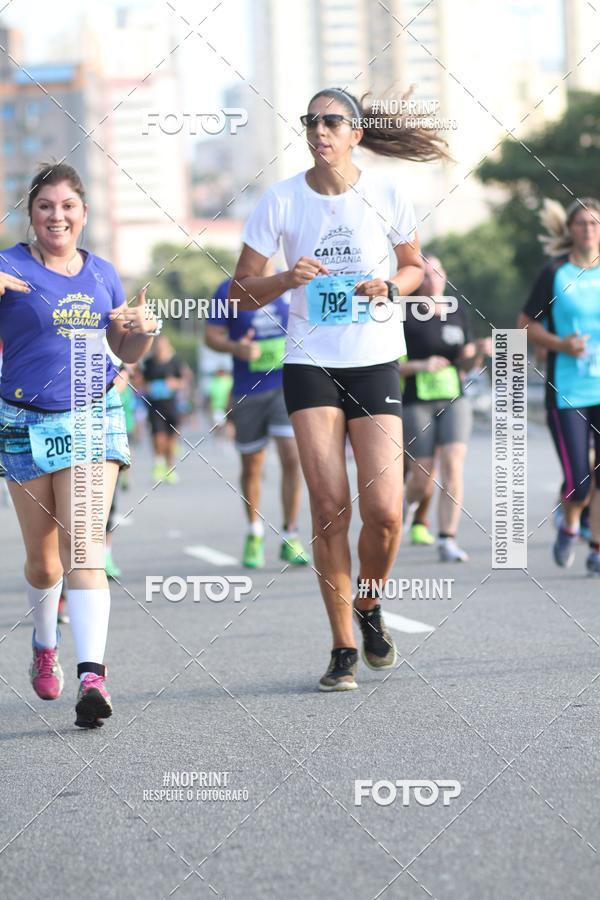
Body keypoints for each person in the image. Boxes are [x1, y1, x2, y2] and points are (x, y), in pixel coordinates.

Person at [230, 87, 448, 690]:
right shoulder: (279, 202)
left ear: (355, 133)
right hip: (309, 363)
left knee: (383, 514)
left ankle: (369, 603)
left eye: (332, 121)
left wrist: (392, 287)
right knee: (329, 508)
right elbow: (238, 290)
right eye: (311, 121)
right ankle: (343, 646)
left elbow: (414, 265)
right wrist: (283, 277)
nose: (319, 130)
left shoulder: (386, 194)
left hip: (375, 359)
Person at [0, 162, 160, 727]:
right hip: (22, 419)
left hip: (92, 416)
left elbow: (127, 349)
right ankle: (46, 643)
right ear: (31, 213)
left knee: (84, 548)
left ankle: (92, 675)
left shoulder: (103, 274)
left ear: (84, 214)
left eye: (67, 206)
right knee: (44, 565)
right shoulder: (7, 265)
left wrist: (142, 327)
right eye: (45, 206)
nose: (57, 216)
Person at [206, 262, 310, 568]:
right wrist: (235, 347)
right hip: (247, 390)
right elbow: (211, 336)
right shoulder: (228, 290)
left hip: (285, 384)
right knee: (253, 466)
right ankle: (254, 532)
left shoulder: (290, 281)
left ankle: (291, 534)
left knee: (292, 457)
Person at [519, 197, 600, 574]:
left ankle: (596, 548)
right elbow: (526, 324)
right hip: (568, 390)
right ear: (570, 230)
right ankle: (569, 524)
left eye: (595, 223)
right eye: (582, 223)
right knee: (579, 483)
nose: (589, 229)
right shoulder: (555, 273)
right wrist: (561, 344)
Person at [400, 255, 479, 561]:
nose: (433, 280)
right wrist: (423, 364)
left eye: (438, 273)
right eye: (426, 275)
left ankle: (447, 539)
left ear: (445, 277)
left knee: (453, 465)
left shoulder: (457, 309)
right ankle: (406, 507)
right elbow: (391, 367)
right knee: (422, 475)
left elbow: (467, 361)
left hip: (454, 397)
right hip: (417, 400)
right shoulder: (403, 313)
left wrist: (478, 354)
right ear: (418, 281)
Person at [141, 334, 184, 484]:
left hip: (171, 405)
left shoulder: (174, 362)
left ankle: (170, 468)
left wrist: (174, 384)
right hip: (154, 406)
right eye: (157, 346)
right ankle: (158, 464)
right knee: (158, 436)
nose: (160, 349)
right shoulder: (148, 363)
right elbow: (140, 382)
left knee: (171, 439)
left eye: (163, 346)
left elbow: (182, 381)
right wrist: (148, 387)